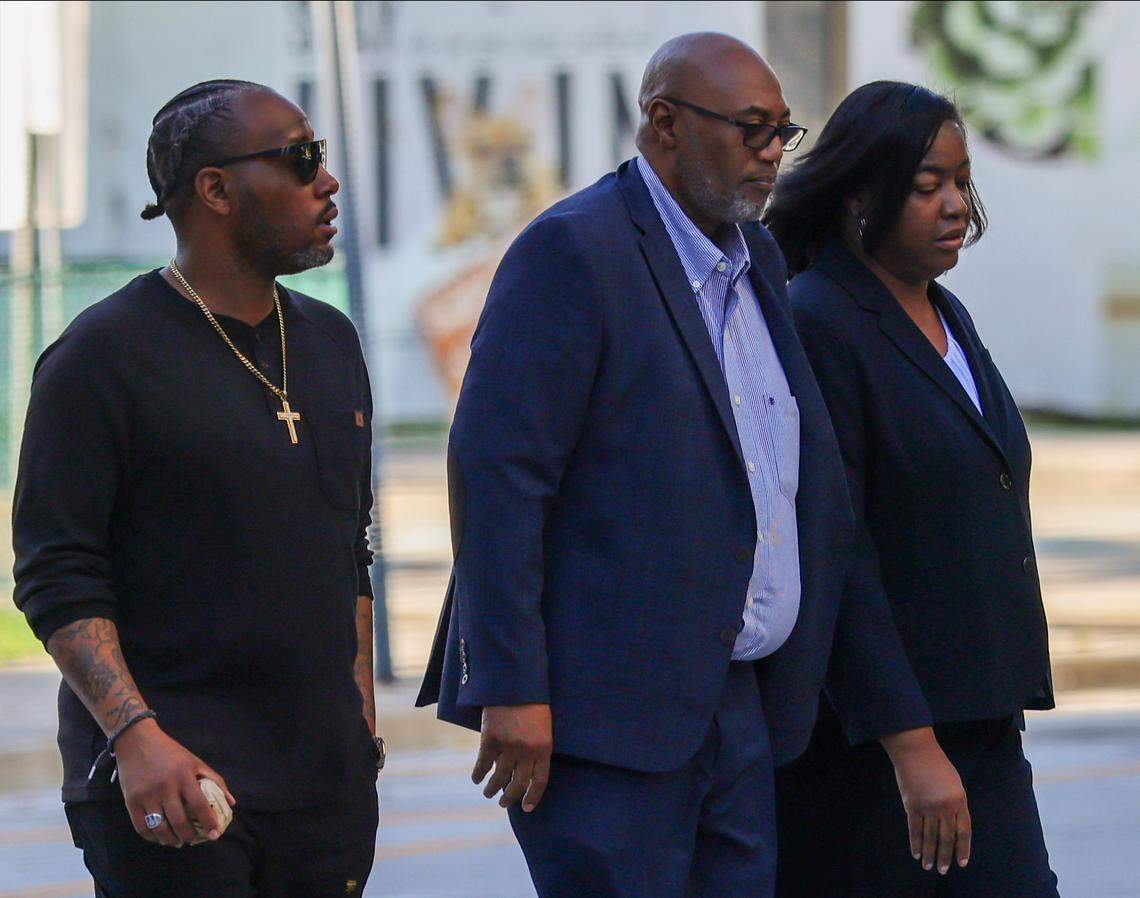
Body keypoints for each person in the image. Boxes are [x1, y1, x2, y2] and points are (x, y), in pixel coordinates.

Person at [417, 34, 937, 897]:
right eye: (751, 129)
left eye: (782, 132)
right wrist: (510, 686)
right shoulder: (573, 252)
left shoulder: (757, 257)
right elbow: (498, 478)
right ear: (664, 124)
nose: (772, 153)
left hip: (737, 707)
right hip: (600, 721)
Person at [13, 80, 385, 898]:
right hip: (178, 785)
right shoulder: (99, 359)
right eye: (301, 160)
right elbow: (56, 572)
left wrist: (357, 719)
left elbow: (349, 542)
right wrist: (135, 738)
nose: (326, 181)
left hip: (324, 786)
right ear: (214, 189)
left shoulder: (328, 339)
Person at [764, 80, 1058, 897]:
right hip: (879, 748)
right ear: (863, 193)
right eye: (928, 186)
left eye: (962, 182)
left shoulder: (946, 312)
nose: (955, 205)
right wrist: (911, 743)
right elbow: (839, 548)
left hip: (982, 721)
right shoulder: (818, 318)